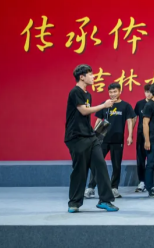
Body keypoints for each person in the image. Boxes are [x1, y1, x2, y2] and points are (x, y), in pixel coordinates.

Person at [64, 64, 118, 213]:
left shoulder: (88, 94)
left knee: (101, 166)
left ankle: (105, 200)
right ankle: (74, 203)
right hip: (76, 137)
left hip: (90, 136)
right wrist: (103, 106)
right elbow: (83, 111)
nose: (93, 77)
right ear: (82, 77)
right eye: (90, 74)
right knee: (80, 170)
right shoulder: (75, 92)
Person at [85, 82, 136, 199]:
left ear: (120, 92)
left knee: (116, 165)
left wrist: (130, 135)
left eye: (115, 92)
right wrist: (94, 135)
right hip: (102, 139)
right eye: (110, 92)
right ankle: (91, 187)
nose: (112, 94)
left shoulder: (125, 106)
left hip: (117, 139)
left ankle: (114, 188)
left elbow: (130, 121)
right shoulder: (105, 104)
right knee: (97, 163)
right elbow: (99, 120)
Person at [134, 84, 154, 192]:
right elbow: (134, 118)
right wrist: (131, 134)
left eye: (150, 92)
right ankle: (142, 182)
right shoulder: (139, 104)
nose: (148, 94)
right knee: (141, 158)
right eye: (146, 92)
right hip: (141, 135)